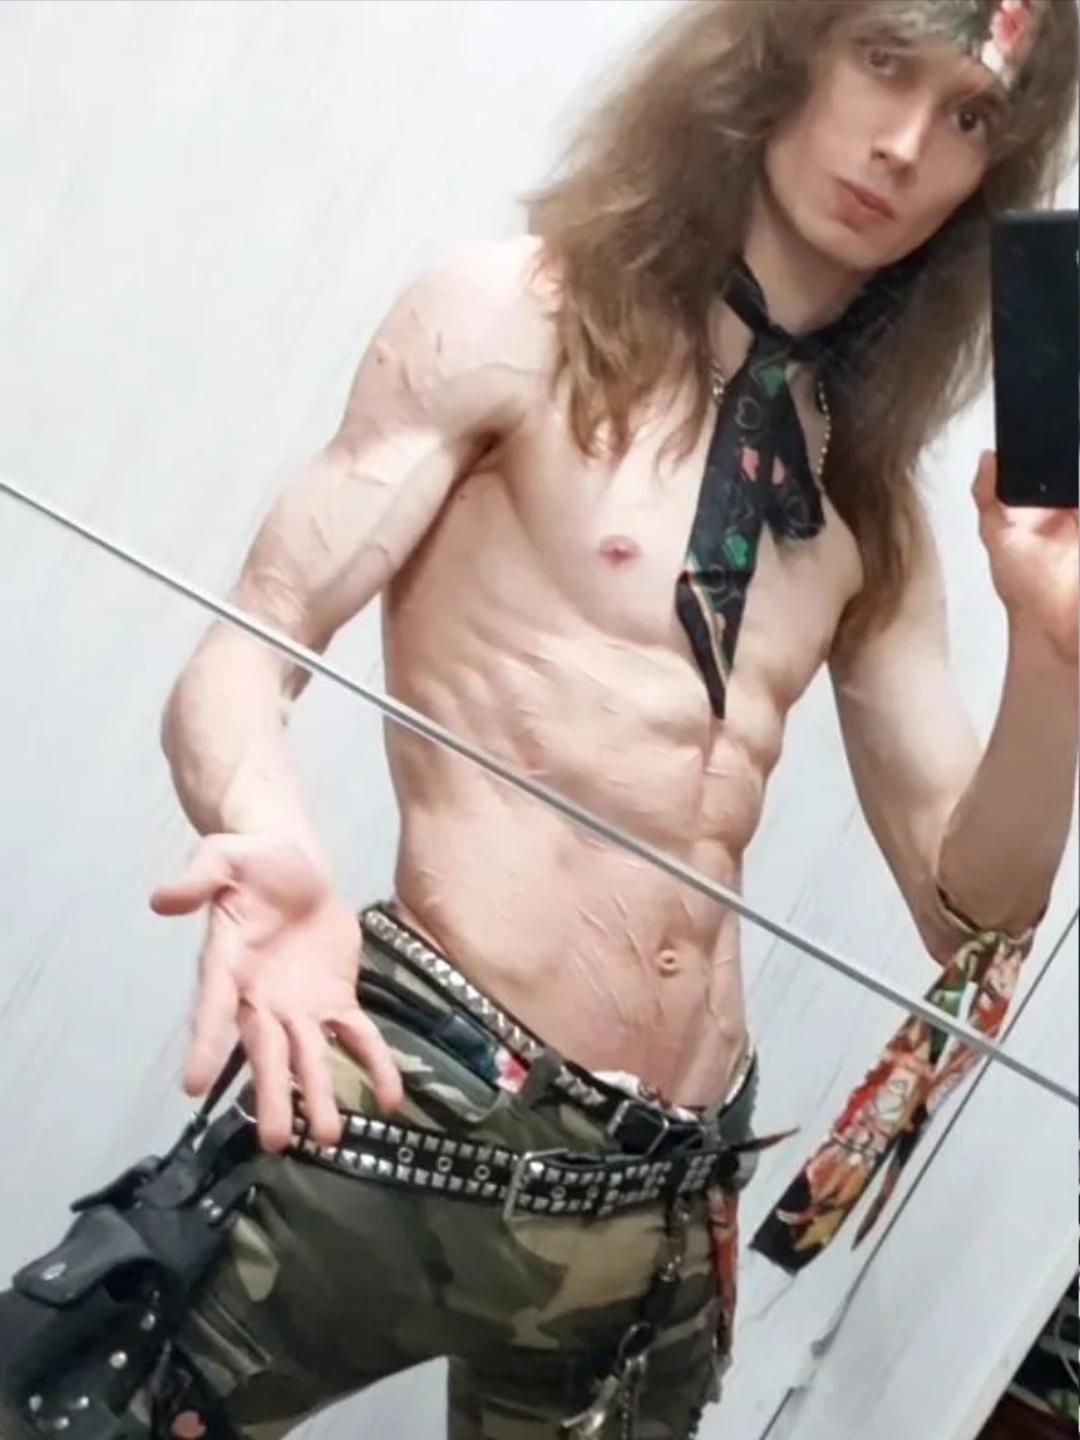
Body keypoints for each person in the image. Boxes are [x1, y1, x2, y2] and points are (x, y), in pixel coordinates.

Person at [3, 2, 1078, 1438]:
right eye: (884, 61)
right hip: (413, 1101)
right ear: (784, 47)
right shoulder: (515, 319)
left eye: (967, 116)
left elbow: (975, 913)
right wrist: (272, 835)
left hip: (662, 1204)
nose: (903, 146)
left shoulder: (865, 508)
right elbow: (248, 648)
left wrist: (1054, 648)